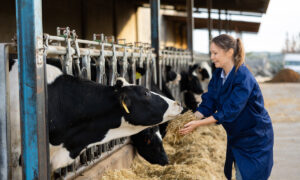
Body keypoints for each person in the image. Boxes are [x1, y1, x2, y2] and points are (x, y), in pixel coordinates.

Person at [179, 34, 274, 180]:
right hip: (238, 135)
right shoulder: (218, 74)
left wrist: (198, 124)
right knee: (240, 174)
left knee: (248, 175)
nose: (212, 57)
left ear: (229, 52)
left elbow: (230, 111)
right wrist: (193, 117)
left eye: (215, 53)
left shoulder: (243, 77)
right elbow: (210, 99)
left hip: (255, 137)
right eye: (211, 53)